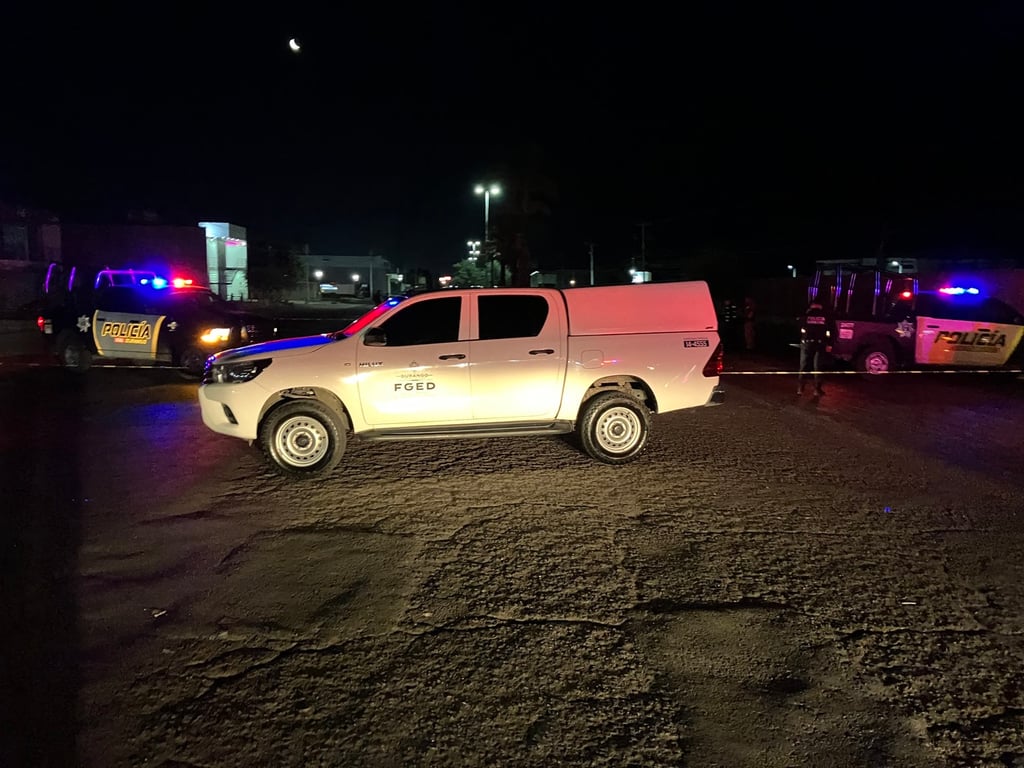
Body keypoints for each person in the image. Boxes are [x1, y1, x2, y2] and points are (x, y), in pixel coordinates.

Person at [797, 294, 835, 396]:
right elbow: (833, 330)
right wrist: (830, 344)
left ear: (812, 304)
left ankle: (800, 388)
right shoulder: (827, 315)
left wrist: (802, 339)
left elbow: (799, 326)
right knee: (818, 367)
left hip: (806, 343)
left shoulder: (806, 314)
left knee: (803, 366)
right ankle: (816, 390)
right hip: (820, 344)